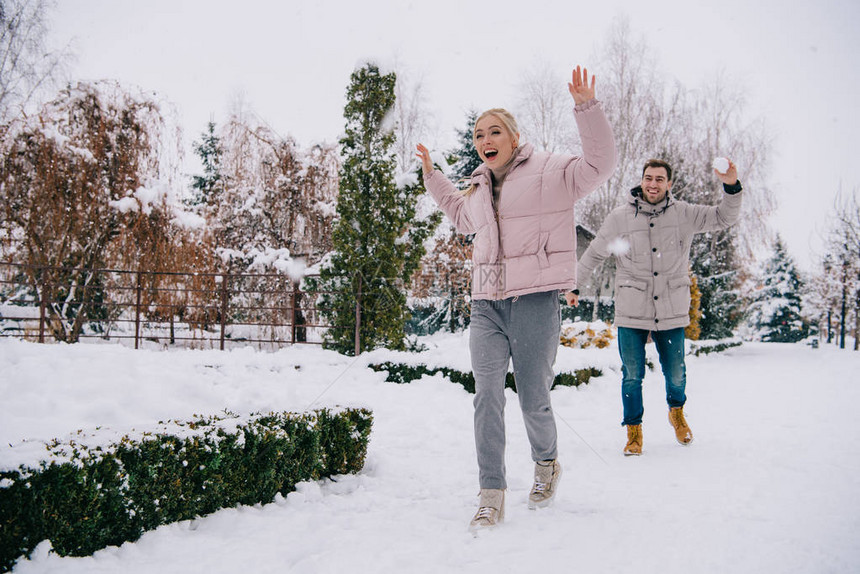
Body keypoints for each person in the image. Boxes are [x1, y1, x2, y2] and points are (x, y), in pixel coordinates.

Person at [416, 66, 616, 530]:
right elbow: (458, 215)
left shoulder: (550, 170)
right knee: (486, 394)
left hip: (535, 300)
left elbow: (600, 165)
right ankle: (491, 492)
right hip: (486, 304)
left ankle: (546, 463)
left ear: (513, 136)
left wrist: (587, 108)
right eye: (478, 134)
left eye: (494, 131)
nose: (485, 139)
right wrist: (433, 176)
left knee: (532, 398)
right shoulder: (478, 187)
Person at [575, 158, 743, 456]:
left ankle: (676, 413)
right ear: (641, 180)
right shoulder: (620, 218)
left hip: (671, 308)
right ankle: (634, 432)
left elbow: (723, 217)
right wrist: (574, 284)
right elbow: (594, 252)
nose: (652, 184)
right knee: (632, 374)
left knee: (676, 372)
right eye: (648, 178)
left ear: (669, 184)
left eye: (659, 179)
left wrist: (731, 185)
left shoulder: (685, 214)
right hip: (631, 308)